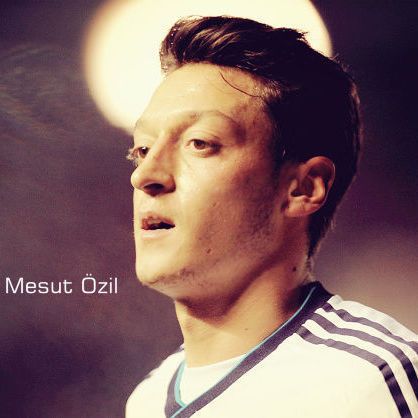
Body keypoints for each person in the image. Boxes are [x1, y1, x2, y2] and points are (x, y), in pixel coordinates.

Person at [126, 15, 417, 418]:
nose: (144, 175)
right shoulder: (146, 399)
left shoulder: (368, 381)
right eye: (142, 149)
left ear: (304, 187)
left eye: (200, 143)